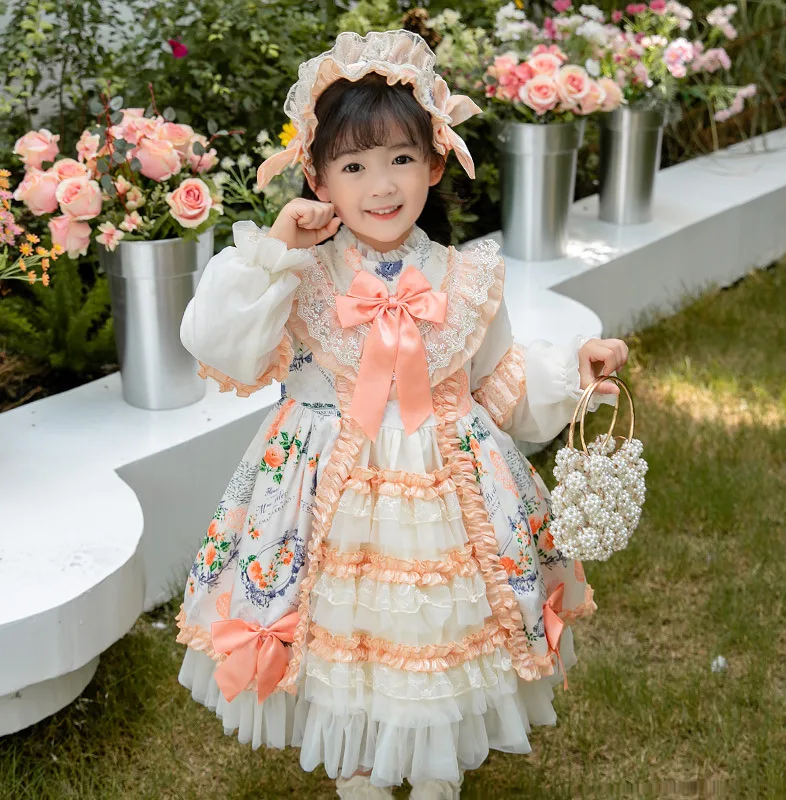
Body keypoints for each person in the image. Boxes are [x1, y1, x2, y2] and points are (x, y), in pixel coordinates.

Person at [175, 29, 629, 800]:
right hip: (325, 489)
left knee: (432, 623)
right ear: (318, 178)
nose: (381, 186)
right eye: (354, 166)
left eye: (400, 159)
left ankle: (430, 767)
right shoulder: (297, 275)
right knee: (344, 628)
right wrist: (274, 251)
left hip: (448, 484)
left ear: (435, 163)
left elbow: (500, 385)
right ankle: (358, 768)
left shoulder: (464, 277)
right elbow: (220, 344)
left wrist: (572, 375)